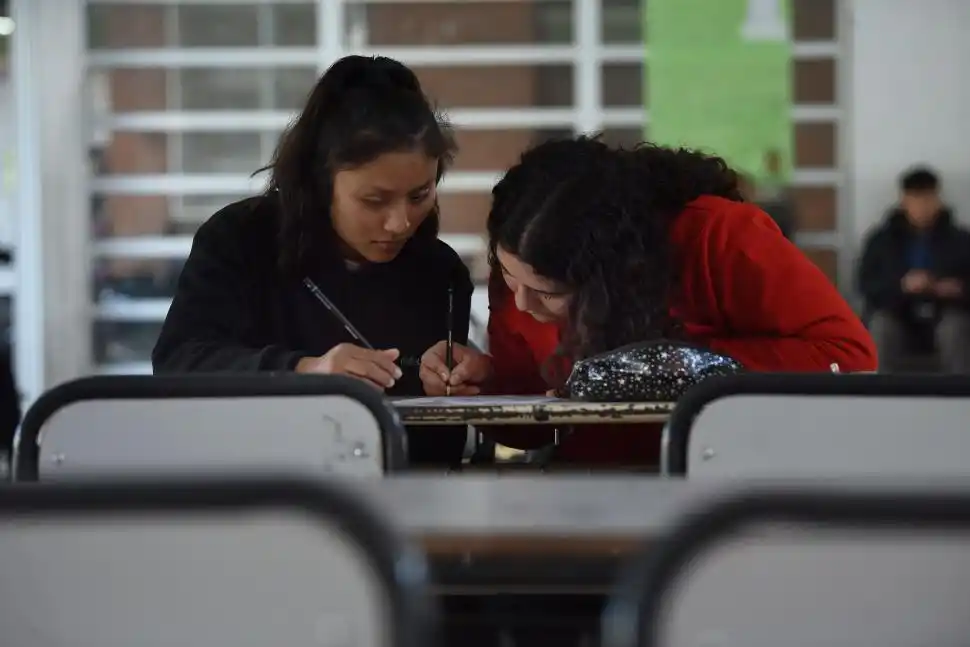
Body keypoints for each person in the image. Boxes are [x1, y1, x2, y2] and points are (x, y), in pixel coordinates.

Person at [420, 136, 876, 465]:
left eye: (548, 294)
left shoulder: (716, 236)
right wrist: (484, 384)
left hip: (730, 487)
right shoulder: (525, 269)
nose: (520, 305)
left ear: (611, 276)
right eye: (505, 275)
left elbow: (850, 359)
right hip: (594, 497)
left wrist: (681, 367)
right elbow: (536, 426)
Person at [153, 55, 472, 465]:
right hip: (249, 482)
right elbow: (180, 364)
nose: (400, 223)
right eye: (374, 200)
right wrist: (306, 371)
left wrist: (449, 383)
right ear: (321, 183)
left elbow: (439, 444)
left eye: (420, 195)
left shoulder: (439, 272)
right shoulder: (240, 239)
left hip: (401, 498)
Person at [858, 167, 970, 373]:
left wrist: (956, 290)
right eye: (916, 199)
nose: (922, 207)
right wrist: (902, 286)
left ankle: (961, 397)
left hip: (945, 313)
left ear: (938, 199)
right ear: (904, 201)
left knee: (955, 329)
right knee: (882, 327)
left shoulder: (961, 240)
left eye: (928, 199)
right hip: (898, 313)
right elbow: (866, 285)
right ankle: (879, 395)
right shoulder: (881, 241)